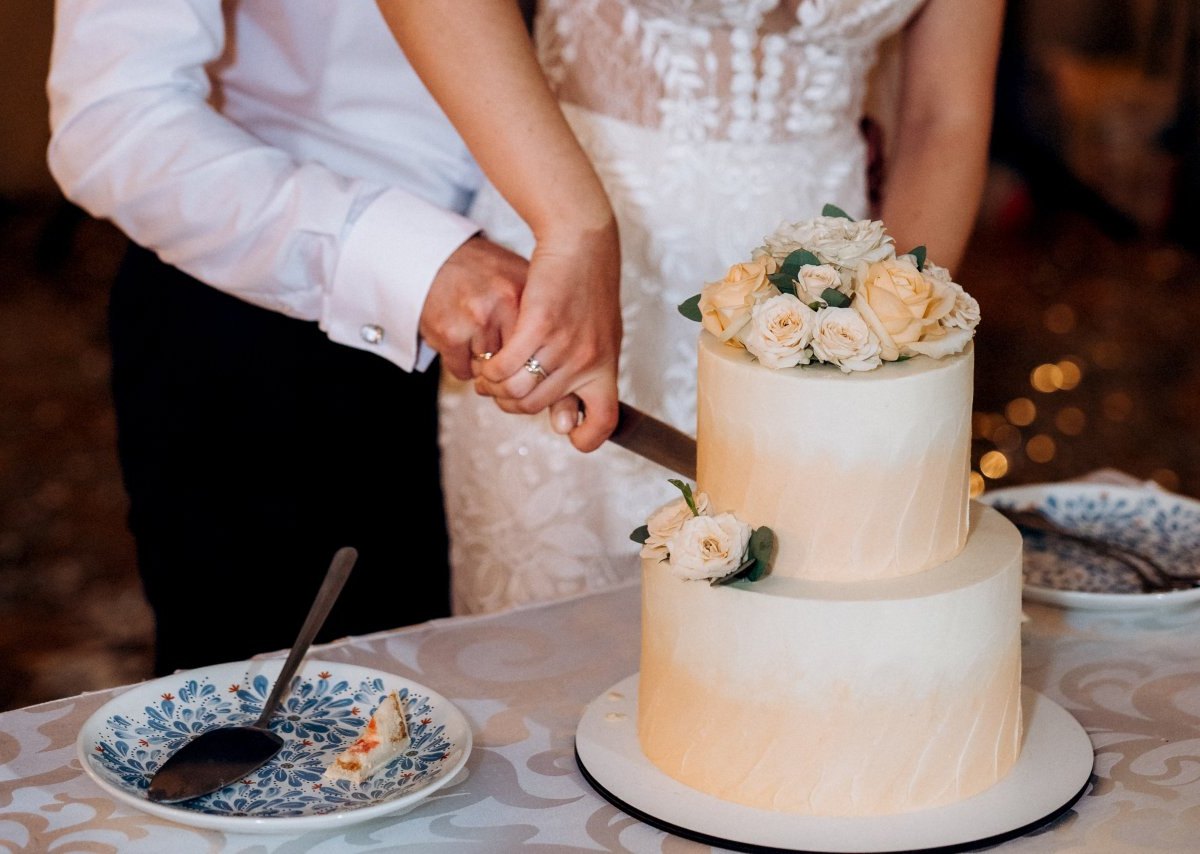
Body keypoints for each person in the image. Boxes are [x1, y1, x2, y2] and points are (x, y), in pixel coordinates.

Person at [44, 0, 620, 676]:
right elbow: (113, 121)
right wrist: (406, 258)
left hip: (604, 329)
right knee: (287, 736)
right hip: (282, 330)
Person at [378, 0, 1006, 615]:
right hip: (564, 249)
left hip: (825, 293)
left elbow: (943, 117)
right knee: (547, 643)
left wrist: (888, 341)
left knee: (790, 645)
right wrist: (573, 229)